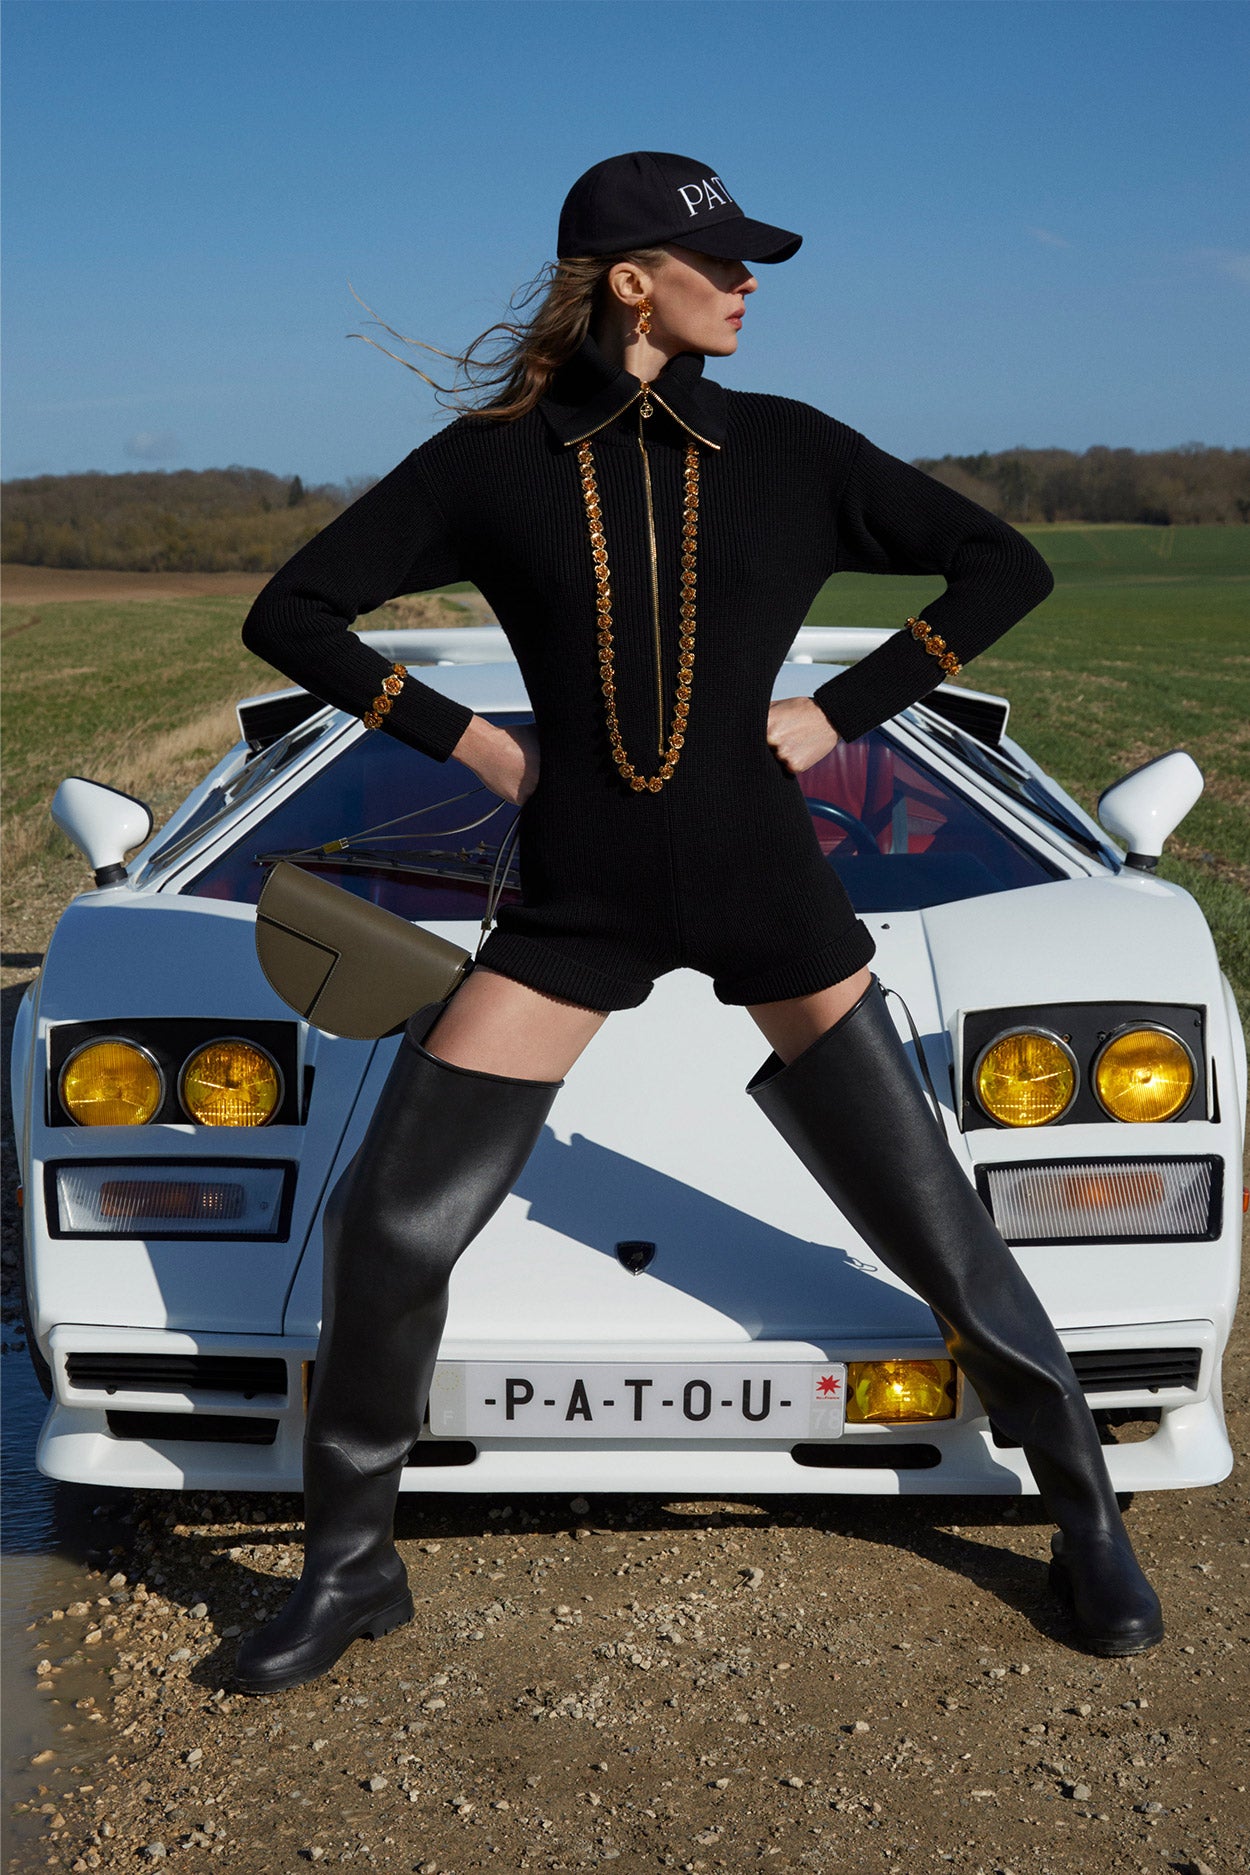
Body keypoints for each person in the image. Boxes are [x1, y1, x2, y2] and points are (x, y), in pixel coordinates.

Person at [232, 151, 1163, 1694]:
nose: (744, 286)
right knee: (389, 1222)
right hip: (576, 896)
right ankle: (350, 1566)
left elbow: (1004, 563)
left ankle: (1085, 1518)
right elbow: (292, 613)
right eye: (718, 262)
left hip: (760, 880)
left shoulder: (788, 449)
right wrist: (479, 747)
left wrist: (844, 710)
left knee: (931, 1224)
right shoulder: (492, 463)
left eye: (745, 266)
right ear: (629, 281)